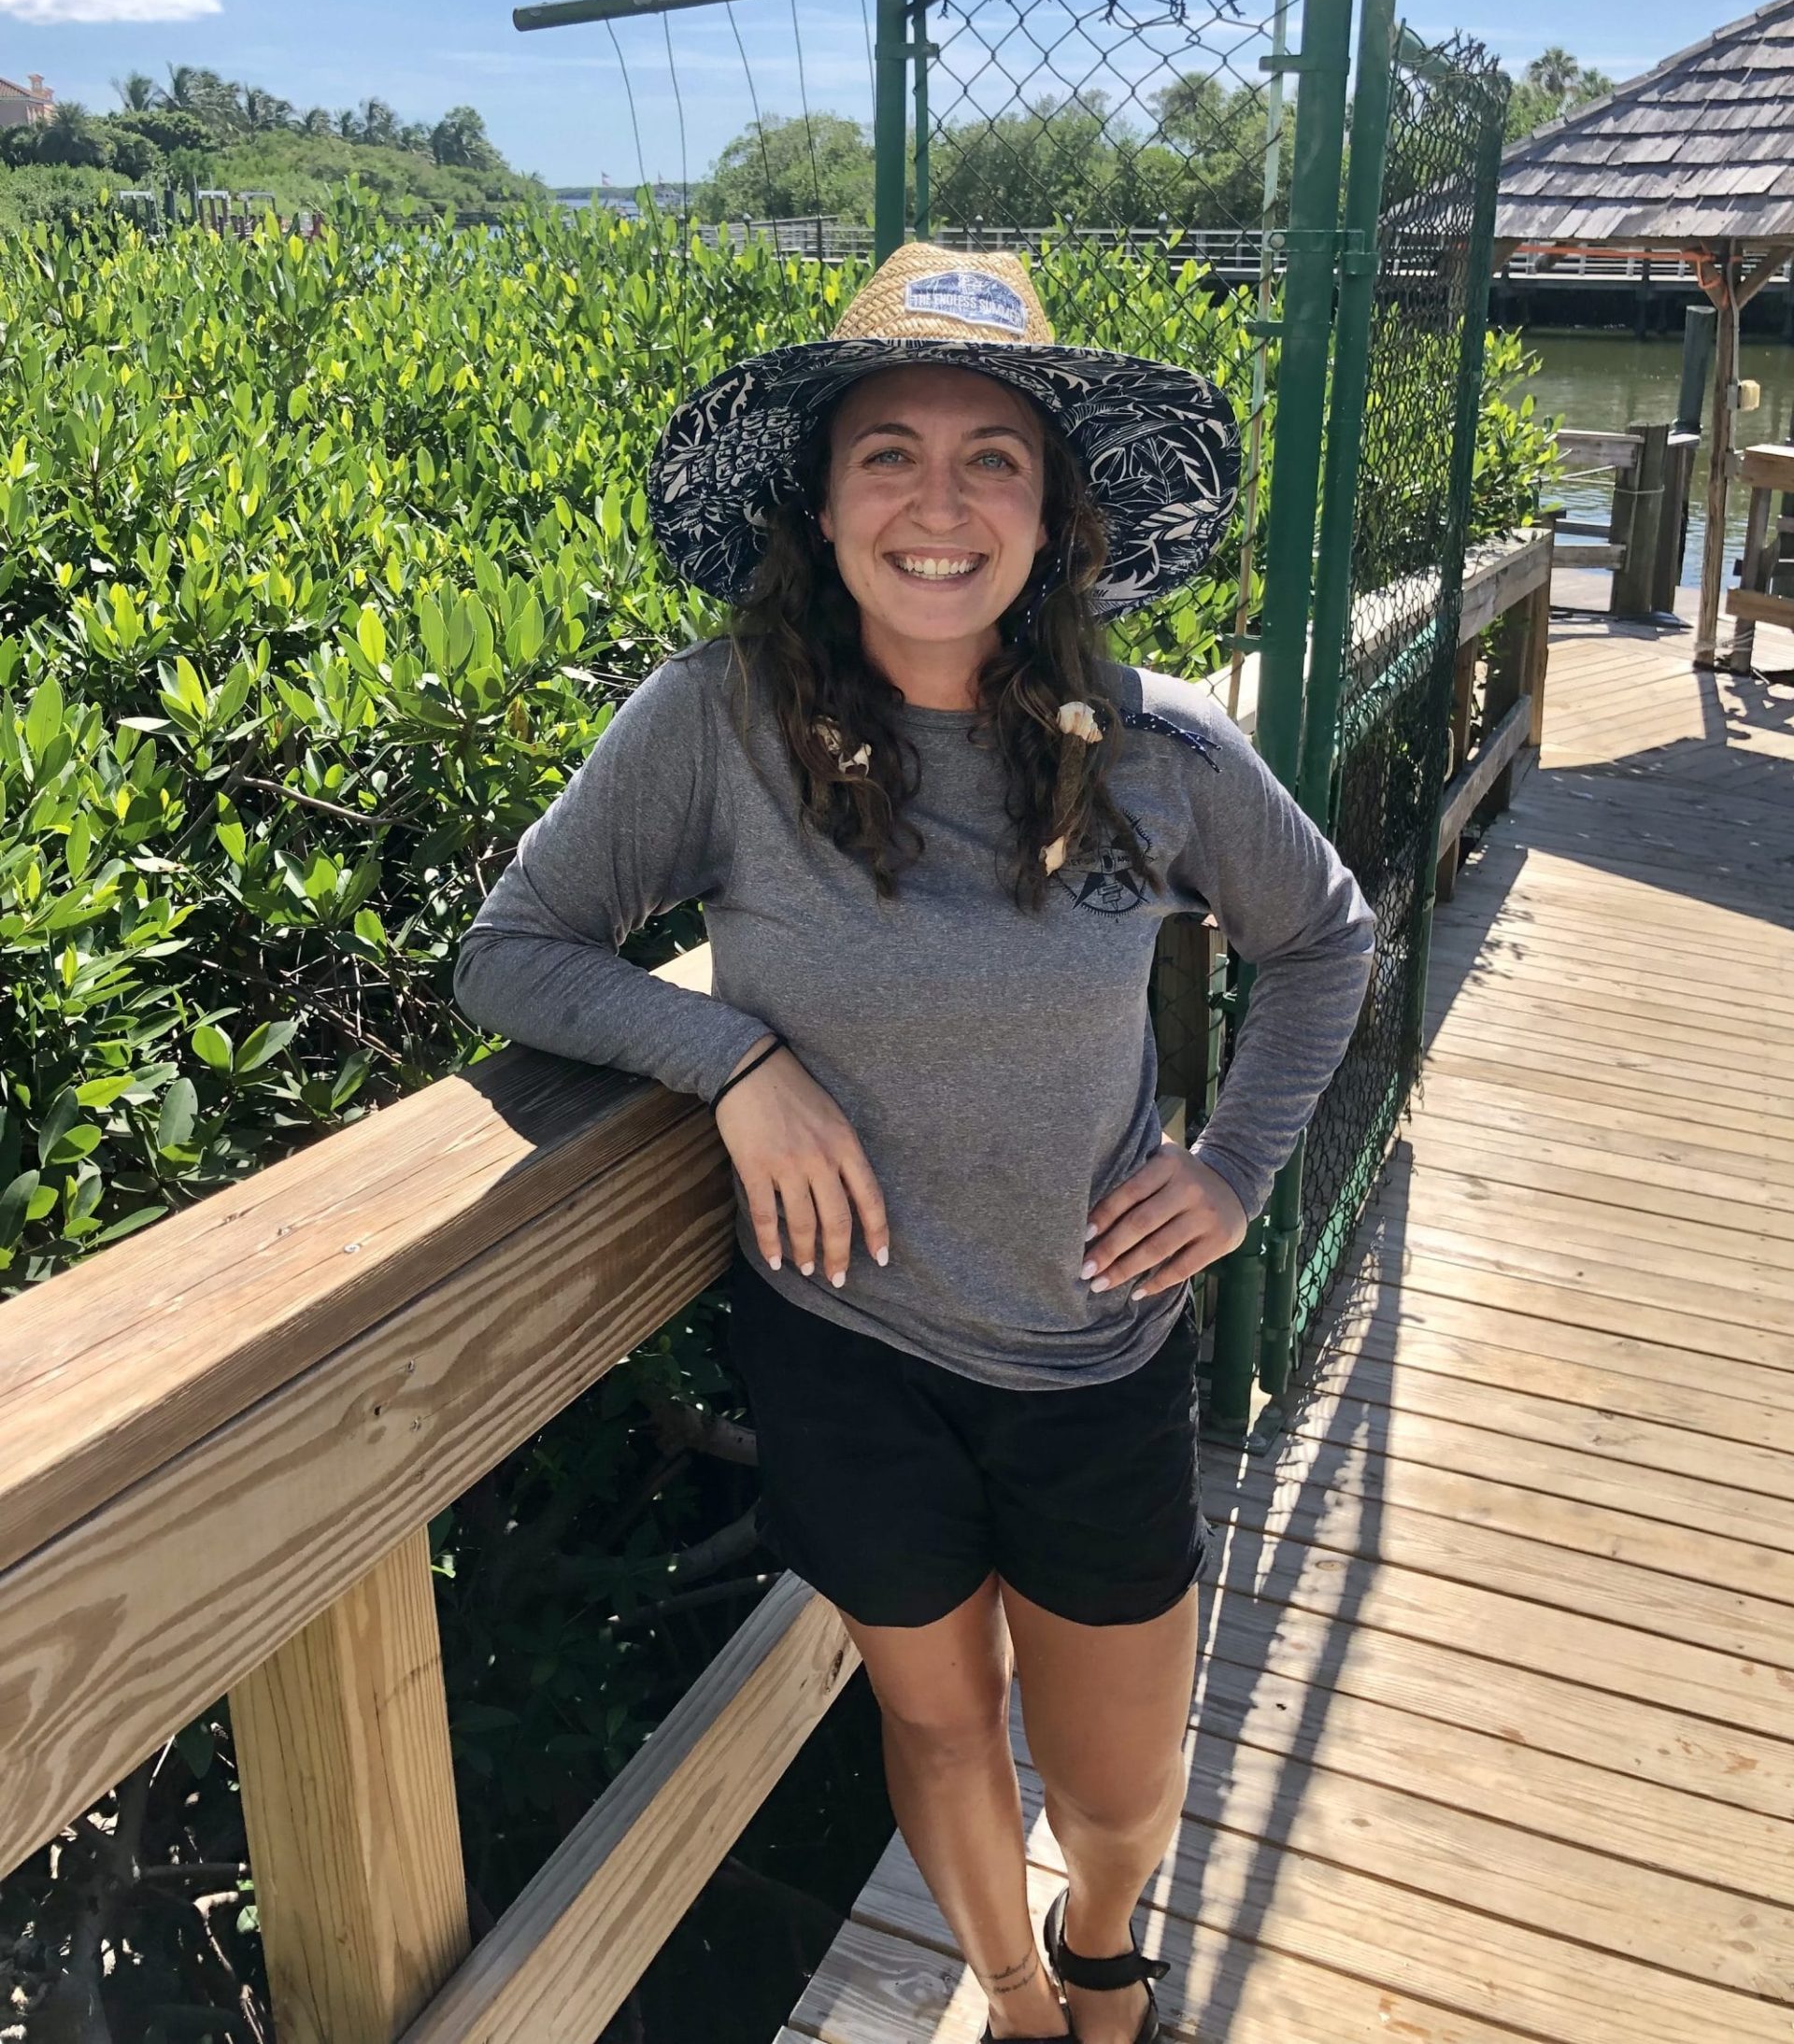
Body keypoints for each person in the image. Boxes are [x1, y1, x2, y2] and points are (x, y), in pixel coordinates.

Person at [455, 243, 1374, 2044]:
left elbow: (1327, 938)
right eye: (889, 451)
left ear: (1053, 515)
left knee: (1120, 1787)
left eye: (992, 458)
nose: (938, 503)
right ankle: (1029, 2005)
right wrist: (727, 1058)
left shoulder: (1160, 742)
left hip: (1092, 1347)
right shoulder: (715, 722)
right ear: (821, 496)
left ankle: (1106, 1942)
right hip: (846, 1349)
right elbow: (514, 950)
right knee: (939, 1721)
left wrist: (1236, 1171)